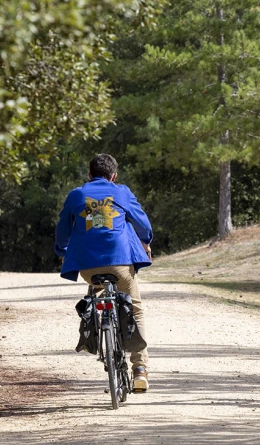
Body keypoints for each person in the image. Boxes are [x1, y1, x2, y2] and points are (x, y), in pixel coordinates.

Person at [55, 153, 154, 392]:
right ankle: (139, 369)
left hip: (88, 268)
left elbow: (62, 231)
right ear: (114, 176)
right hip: (120, 266)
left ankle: (98, 322)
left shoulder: (76, 195)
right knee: (135, 307)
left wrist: (62, 251)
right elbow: (143, 224)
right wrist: (147, 242)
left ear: (89, 175)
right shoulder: (121, 192)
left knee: (96, 290)